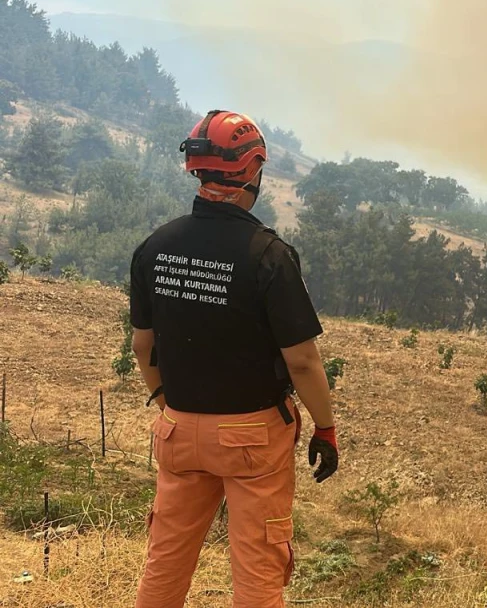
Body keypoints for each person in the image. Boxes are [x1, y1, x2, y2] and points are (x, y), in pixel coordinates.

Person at [130, 110, 339, 608]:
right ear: (253, 170)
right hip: (252, 439)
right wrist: (325, 429)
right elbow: (302, 361)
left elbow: (142, 345)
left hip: (178, 431)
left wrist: (167, 403)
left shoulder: (155, 247)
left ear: (197, 170)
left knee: (165, 562)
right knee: (258, 571)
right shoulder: (268, 255)